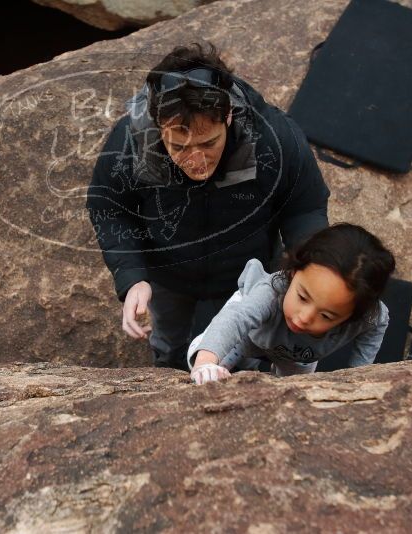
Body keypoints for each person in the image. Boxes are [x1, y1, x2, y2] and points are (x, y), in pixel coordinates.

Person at [86, 42, 330, 370]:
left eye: (208, 142)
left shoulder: (272, 138)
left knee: (244, 343)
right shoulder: (129, 143)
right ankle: (168, 370)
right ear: (159, 126)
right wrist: (132, 277)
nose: (197, 160)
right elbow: (109, 206)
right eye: (179, 146)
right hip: (168, 272)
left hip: (247, 270)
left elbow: (304, 205)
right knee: (169, 342)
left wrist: (306, 272)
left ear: (228, 115)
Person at [188, 223, 396, 384]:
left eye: (326, 316)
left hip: (297, 355)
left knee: (296, 390)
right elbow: (235, 319)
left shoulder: (367, 316)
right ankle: (243, 364)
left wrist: (358, 374)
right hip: (248, 334)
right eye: (303, 297)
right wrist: (205, 362)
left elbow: (379, 322)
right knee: (207, 369)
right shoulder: (272, 291)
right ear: (293, 272)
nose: (304, 317)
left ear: (352, 316)